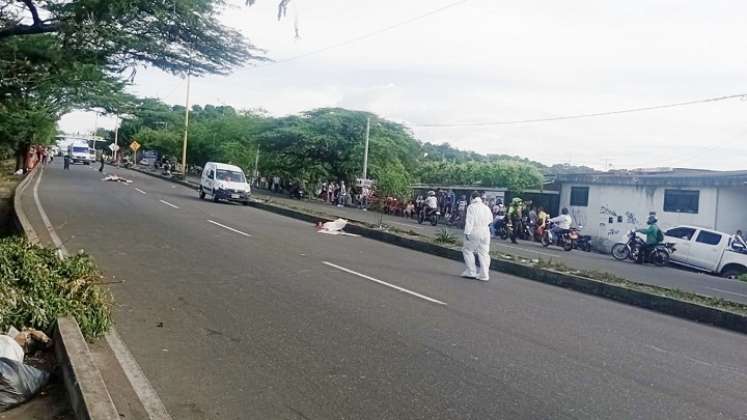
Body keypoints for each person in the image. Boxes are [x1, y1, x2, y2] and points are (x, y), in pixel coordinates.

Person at [462, 191, 494, 281]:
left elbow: (469, 221)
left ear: (472, 198)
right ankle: (484, 275)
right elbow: (491, 220)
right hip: (485, 231)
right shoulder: (486, 207)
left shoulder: (471, 207)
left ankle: (471, 272)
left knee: (467, 250)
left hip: (475, 230)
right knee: (484, 253)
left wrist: (467, 232)